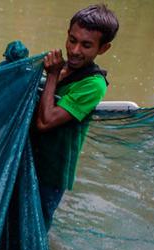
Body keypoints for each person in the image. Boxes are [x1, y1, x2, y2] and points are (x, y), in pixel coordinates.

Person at [31, 4, 118, 229]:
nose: (75, 50)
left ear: (103, 48)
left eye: (86, 45)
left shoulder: (93, 84)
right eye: (72, 40)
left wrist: (51, 76)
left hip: (51, 172)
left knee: (34, 227)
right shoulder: (60, 67)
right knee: (10, 221)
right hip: (28, 159)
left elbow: (45, 121)